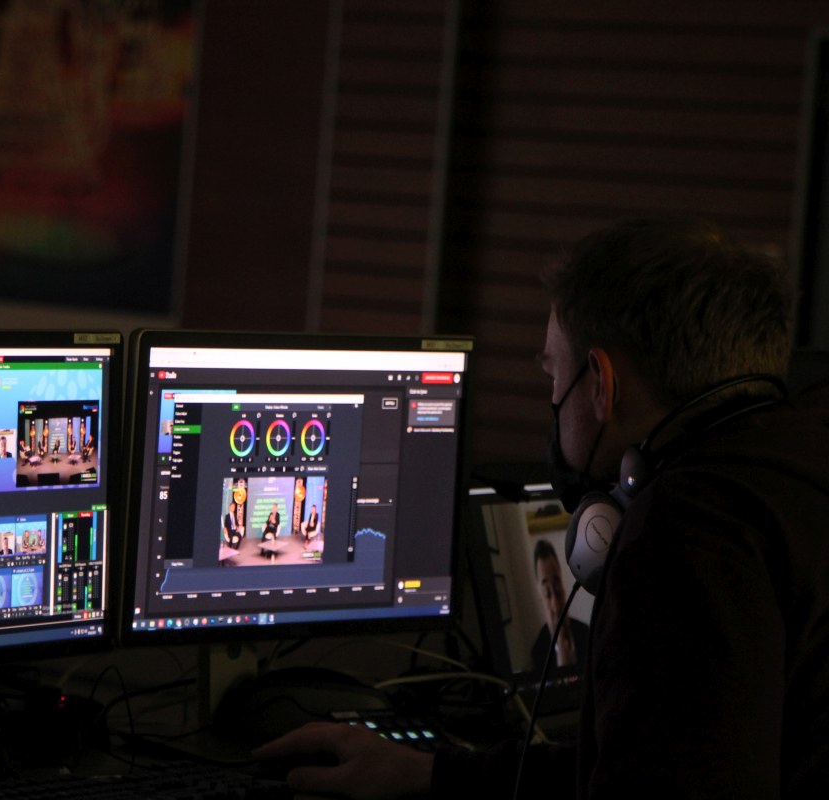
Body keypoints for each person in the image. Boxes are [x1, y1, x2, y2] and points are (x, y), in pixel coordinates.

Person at [256, 216, 829, 797]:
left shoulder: (689, 531)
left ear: (601, 383)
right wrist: (430, 774)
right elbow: (653, 759)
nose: (553, 399)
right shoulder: (797, 465)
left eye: (554, 373)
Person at [530, 538, 590, 673]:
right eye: (547, 593)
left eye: (557, 590)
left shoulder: (586, 633)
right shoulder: (537, 652)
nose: (556, 606)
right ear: (540, 596)